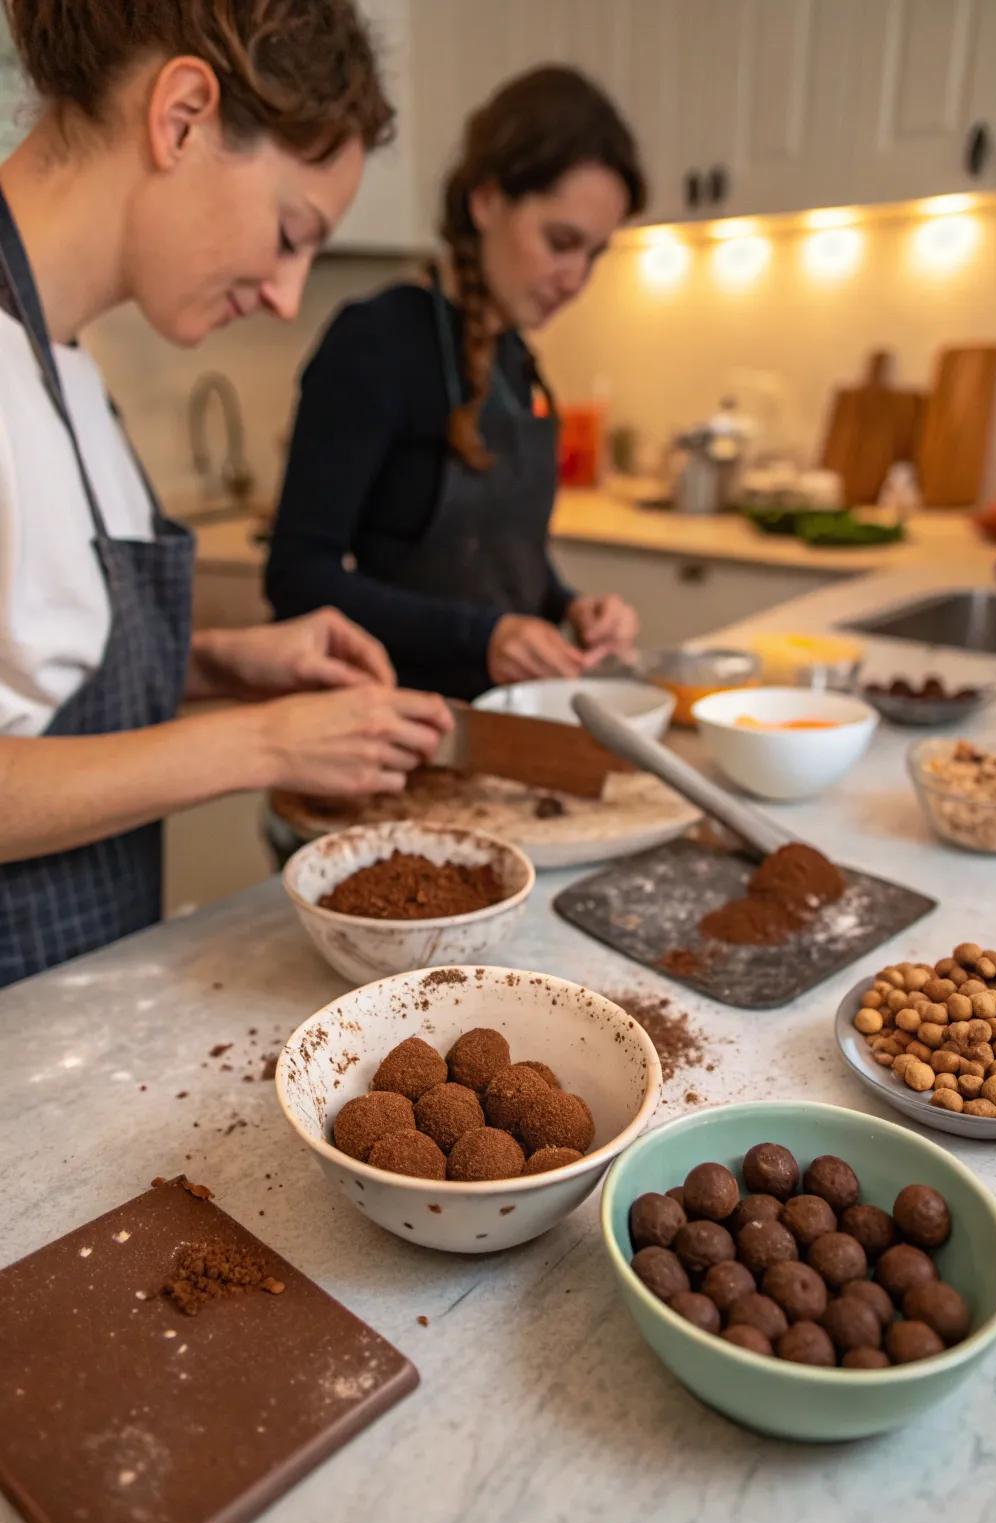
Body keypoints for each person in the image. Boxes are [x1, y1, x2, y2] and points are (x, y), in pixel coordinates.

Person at [0, 0, 452, 987]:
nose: (289, 296)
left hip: (70, 1009)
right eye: (292, 232)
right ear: (183, 116)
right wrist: (262, 741)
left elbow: (32, 678)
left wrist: (217, 664)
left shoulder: (63, 360)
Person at [267, 66, 646, 701]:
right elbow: (298, 579)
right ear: (486, 199)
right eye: (561, 242)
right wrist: (483, 637)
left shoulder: (514, 362)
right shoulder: (376, 343)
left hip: (497, 729)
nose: (576, 277)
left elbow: (496, 567)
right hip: (384, 732)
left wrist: (570, 608)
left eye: (595, 254)